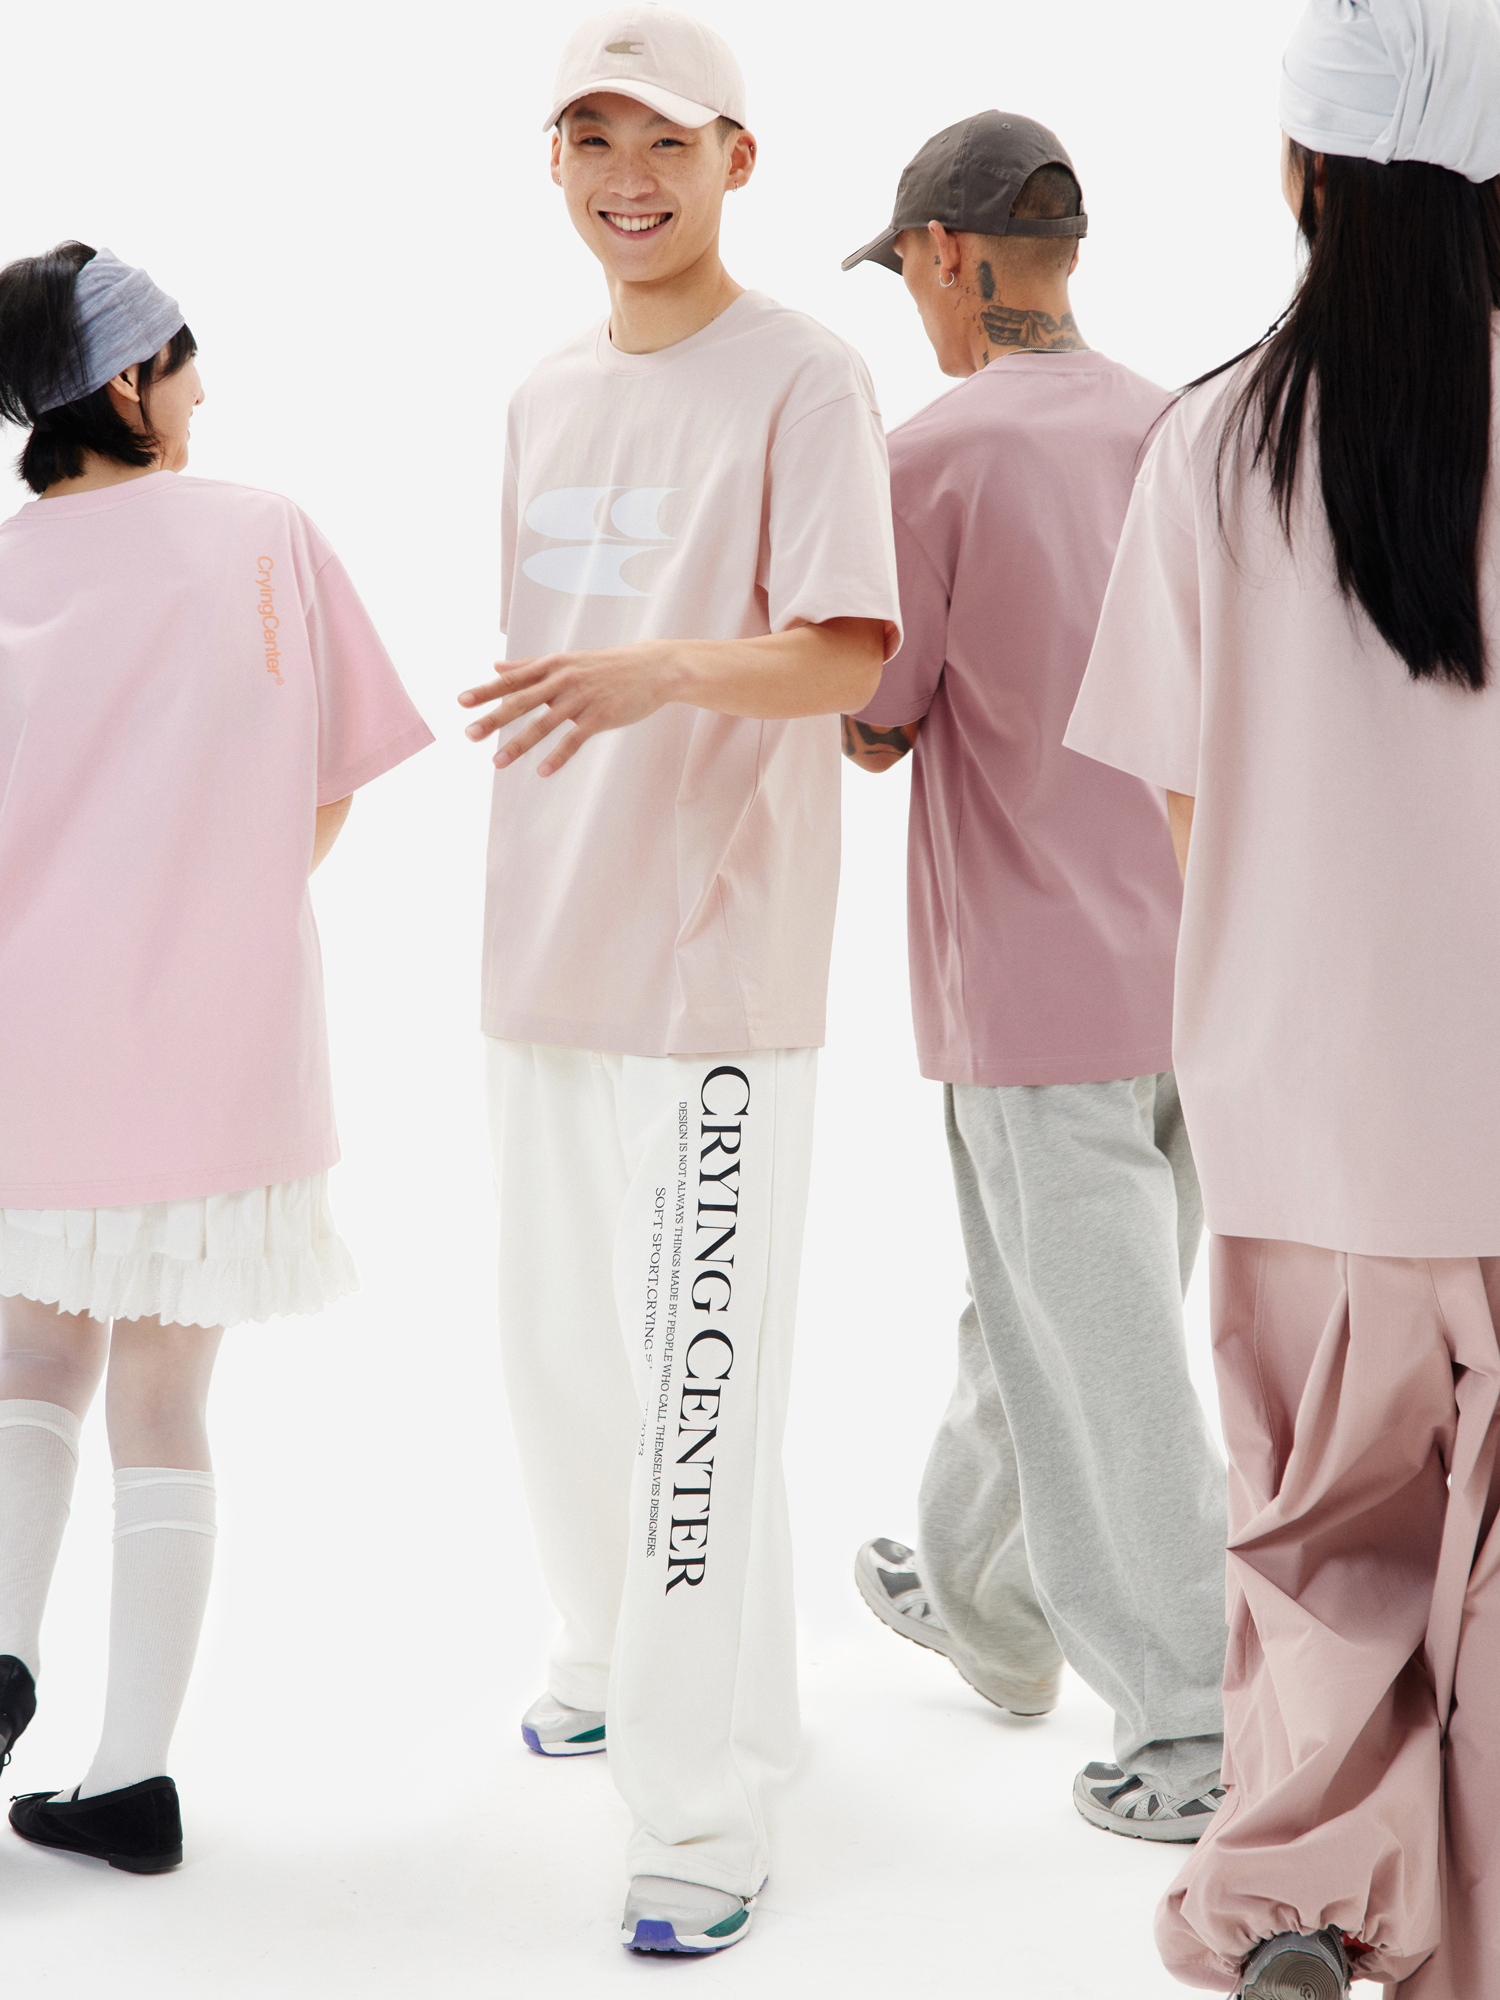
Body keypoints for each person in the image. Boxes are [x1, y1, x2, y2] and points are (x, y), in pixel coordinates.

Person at [1065, 0, 1500, 1991]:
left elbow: (1186, 803)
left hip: (1306, 1110)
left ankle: (1306, 1909)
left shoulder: (1212, 442)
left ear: (1306, 169)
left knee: (1323, 1545)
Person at [457, 6, 899, 1958]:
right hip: (540, 939)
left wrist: (664, 669)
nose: (626, 181)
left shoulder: (804, 376)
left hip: (713, 963)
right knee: (562, 1358)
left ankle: (704, 1808)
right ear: (554, 164)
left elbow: (849, 656)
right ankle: (614, 1653)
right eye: (592, 143)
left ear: (737, 160)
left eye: (664, 142)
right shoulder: (542, 394)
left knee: (699, 1388)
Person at [0, 242, 432, 1873]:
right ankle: (130, 1779)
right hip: (227, 1043)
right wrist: (212, 916)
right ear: (128, 383)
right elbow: (330, 786)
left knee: (30, 1367)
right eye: (186, 364)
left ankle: (3, 1652)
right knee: (167, 1400)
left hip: (34, 1042)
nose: (203, 393)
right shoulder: (265, 534)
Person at [839, 112, 1229, 1841]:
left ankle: (1194, 1728)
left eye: (908, 273)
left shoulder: (926, 456)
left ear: (949, 254)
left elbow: (870, 719)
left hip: (1029, 988)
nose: (914, 305)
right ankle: (986, 1602)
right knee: (1055, 1321)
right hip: (1207, 966)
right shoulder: (1184, 428)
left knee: (1106, 1364)